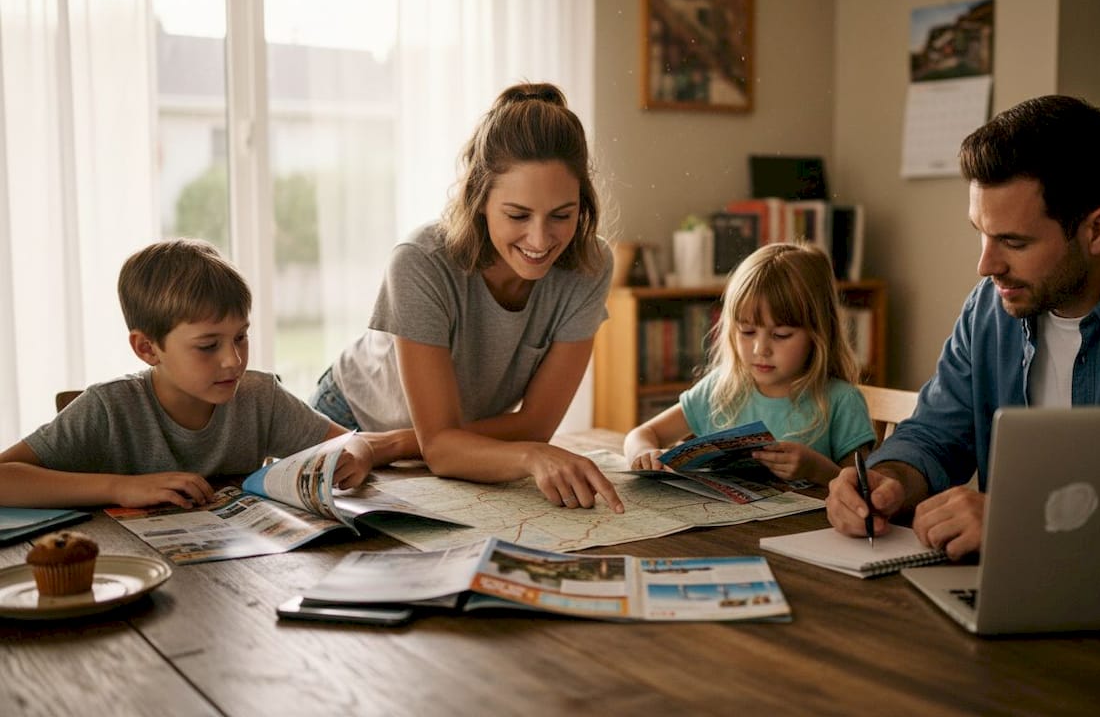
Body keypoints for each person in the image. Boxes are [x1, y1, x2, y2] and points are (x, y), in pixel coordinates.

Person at [826, 95, 1100, 559]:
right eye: (981, 233)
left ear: (1098, 230)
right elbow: (933, 437)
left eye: (1013, 242)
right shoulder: (988, 310)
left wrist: (1024, 520)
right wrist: (887, 480)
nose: (986, 265)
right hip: (1008, 588)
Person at [310, 82, 625, 514]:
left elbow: (535, 425)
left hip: (437, 446)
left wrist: (395, 445)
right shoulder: (421, 261)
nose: (540, 240)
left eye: (561, 215)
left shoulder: (590, 265)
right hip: (350, 427)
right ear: (480, 199)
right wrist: (527, 455)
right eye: (517, 215)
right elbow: (446, 447)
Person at [0, 239, 377, 509]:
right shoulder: (109, 408)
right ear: (147, 348)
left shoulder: (260, 396)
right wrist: (120, 488)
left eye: (241, 337)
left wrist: (356, 457)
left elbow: (350, 443)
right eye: (208, 345)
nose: (233, 360)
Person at [624, 243, 875, 485]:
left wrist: (816, 470)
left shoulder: (841, 401)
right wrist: (644, 453)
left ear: (819, 333)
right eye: (747, 332)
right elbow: (641, 434)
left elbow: (861, 489)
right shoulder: (720, 388)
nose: (760, 349)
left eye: (781, 335)